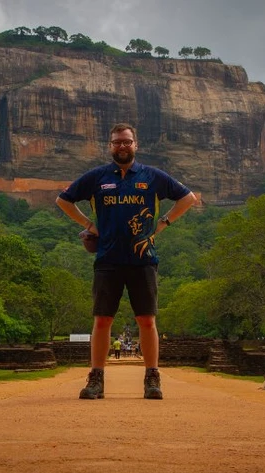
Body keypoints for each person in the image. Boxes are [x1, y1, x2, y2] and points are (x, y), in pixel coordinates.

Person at [56, 122, 197, 400]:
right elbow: (64, 200)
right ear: (110, 146)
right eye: (117, 142)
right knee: (102, 320)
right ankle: (96, 379)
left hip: (143, 259)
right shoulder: (98, 177)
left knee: (146, 320)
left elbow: (187, 198)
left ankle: (152, 379)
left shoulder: (151, 176)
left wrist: (163, 223)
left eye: (127, 142)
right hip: (107, 258)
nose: (122, 146)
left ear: (136, 145)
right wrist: (88, 224)